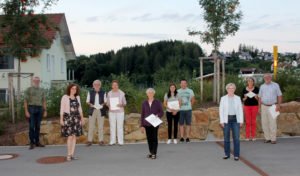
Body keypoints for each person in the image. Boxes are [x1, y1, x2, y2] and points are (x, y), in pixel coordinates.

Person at [60, 84, 84, 161]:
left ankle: (72, 154)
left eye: (75, 89)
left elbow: (80, 109)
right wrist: (61, 119)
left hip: (76, 119)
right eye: (72, 88)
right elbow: (62, 109)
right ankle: (68, 154)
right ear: (69, 89)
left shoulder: (78, 97)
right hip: (68, 119)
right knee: (70, 137)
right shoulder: (65, 97)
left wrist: (82, 119)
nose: (74, 90)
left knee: (74, 137)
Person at [219, 83, 243, 161]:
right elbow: (221, 110)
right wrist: (222, 121)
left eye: (232, 88)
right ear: (227, 89)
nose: (231, 89)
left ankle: (236, 155)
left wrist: (241, 121)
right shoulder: (223, 98)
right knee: (226, 138)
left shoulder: (238, 98)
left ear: (234, 89)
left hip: (235, 120)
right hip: (226, 120)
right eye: (229, 88)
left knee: (236, 138)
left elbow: (240, 110)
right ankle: (227, 154)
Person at [259, 73, 282, 144]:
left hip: (273, 106)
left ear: (271, 78)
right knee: (264, 123)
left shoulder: (276, 85)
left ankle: (273, 139)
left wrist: (278, 105)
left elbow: (279, 95)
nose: (267, 78)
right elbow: (260, 97)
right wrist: (259, 108)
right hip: (263, 106)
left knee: (273, 123)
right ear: (264, 78)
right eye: (265, 77)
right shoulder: (262, 86)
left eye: (268, 77)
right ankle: (267, 138)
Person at [140, 88, 164, 159]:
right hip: (147, 123)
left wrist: (157, 115)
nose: (150, 94)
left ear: (154, 94)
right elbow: (142, 114)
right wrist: (142, 125)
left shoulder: (157, 102)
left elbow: (161, 112)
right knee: (149, 138)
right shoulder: (144, 103)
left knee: (154, 138)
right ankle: (151, 152)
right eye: (149, 93)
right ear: (147, 94)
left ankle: (154, 153)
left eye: (151, 93)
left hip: (155, 122)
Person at [24, 76, 47, 150]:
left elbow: (43, 101)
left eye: (38, 81)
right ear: (33, 81)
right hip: (31, 109)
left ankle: (37, 142)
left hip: (39, 109)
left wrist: (45, 110)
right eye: (35, 81)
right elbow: (25, 101)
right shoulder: (29, 89)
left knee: (38, 126)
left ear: (39, 81)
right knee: (31, 126)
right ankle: (31, 143)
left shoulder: (42, 90)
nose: (37, 82)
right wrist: (26, 111)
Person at [86, 80, 107, 146]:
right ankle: (89, 141)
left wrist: (102, 105)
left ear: (100, 85)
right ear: (93, 85)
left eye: (98, 84)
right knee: (91, 126)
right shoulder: (90, 92)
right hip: (92, 110)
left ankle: (101, 141)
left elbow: (105, 101)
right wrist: (90, 104)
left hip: (101, 110)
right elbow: (87, 101)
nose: (96, 85)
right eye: (95, 84)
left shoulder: (103, 92)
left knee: (100, 126)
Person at [106, 80, 127, 146]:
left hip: (120, 112)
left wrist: (121, 105)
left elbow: (125, 103)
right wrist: (109, 105)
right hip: (111, 112)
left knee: (120, 126)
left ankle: (120, 141)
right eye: (113, 85)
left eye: (116, 85)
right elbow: (107, 103)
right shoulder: (109, 93)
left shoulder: (122, 93)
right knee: (112, 126)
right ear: (112, 86)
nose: (115, 86)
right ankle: (112, 141)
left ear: (118, 86)